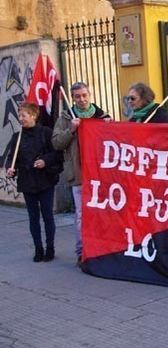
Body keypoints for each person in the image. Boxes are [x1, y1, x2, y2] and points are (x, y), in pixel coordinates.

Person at [52, 81, 111, 264]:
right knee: (80, 217)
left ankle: (102, 250)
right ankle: (82, 252)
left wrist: (109, 127)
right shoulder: (65, 117)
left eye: (84, 95)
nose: (81, 99)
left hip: (100, 175)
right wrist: (71, 130)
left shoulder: (102, 116)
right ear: (72, 98)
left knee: (102, 214)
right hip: (78, 174)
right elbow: (56, 143)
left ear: (90, 95)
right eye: (77, 96)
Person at [6, 103, 62, 262]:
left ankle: (50, 247)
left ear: (33, 116)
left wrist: (45, 160)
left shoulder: (46, 133)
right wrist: (11, 169)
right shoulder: (17, 137)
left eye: (23, 115)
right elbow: (12, 159)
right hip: (27, 182)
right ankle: (38, 249)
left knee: (47, 216)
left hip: (45, 181)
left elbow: (57, 154)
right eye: (20, 115)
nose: (20, 118)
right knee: (33, 217)